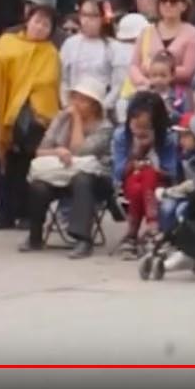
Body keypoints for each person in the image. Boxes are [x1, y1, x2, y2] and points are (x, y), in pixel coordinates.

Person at [0, 4, 61, 234]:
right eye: (37, 21)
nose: (40, 28)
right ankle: (5, 213)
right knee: (4, 163)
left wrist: (25, 90)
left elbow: (48, 81)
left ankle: (28, 214)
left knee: (28, 165)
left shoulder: (50, 52)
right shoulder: (7, 42)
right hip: (4, 109)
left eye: (46, 25)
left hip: (34, 115)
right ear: (28, 21)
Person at [18, 79, 114, 259]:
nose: (76, 104)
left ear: (94, 106)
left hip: (95, 178)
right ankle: (35, 237)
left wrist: (76, 120)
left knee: (81, 179)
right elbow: (40, 151)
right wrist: (57, 151)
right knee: (39, 185)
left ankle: (82, 239)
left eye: (83, 100)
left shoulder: (104, 127)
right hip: (60, 173)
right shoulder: (61, 119)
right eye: (74, 98)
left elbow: (81, 151)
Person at [110, 92, 177, 255]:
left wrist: (152, 153)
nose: (139, 131)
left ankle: (132, 234)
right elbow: (118, 173)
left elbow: (172, 173)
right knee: (140, 180)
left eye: (146, 127)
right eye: (136, 126)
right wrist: (136, 152)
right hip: (129, 183)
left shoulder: (168, 139)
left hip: (159, 186)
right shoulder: (121, 136)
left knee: (148, 174)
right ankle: (152, 228)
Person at [126, 0, 195, 105]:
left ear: (184, 5)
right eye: (163, 0)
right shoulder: (147, 31)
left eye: (173, 1)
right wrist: (144, 82)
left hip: (178, 99)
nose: (167, 5)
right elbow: (134, 65)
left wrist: (156, 71)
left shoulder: (193, 34)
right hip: (146, 95)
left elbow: (188, 71)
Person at [60, 0, 116, 114]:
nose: (86, 20)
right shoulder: (71, 43)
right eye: (83, 15)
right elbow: (63, 78)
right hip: (72, 109)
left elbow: (118, 85)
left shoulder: (113, 46)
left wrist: (102, 108)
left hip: (101, 110)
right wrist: (66, 104)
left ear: (103, 18)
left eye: (92, 16)